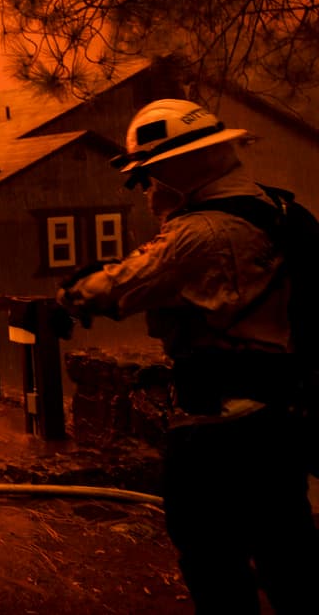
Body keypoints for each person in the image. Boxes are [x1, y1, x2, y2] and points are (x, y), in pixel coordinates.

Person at [57, 99, 319, 615]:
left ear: (182, 167)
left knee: (211, 559)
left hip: (220, 430)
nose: (149, 189)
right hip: (282, 416)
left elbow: (116, 288)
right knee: (289, 554)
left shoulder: (197, 233)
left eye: (150, 175)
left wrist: (73, 292)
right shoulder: (283, 211)